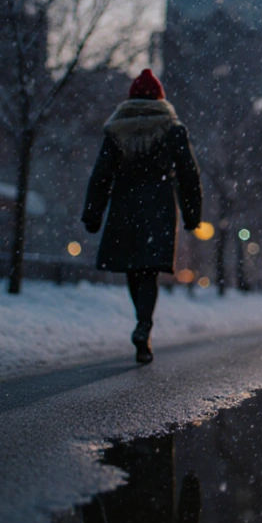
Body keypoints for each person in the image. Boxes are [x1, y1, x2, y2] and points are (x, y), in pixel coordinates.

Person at [83, 68, 202, 363]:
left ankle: (141, 323)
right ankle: (144, 326)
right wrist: (192, 214)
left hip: (124, 206)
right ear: (161, 99)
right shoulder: (173, 129)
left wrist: (93, 213)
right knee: (148, 270)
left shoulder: (116, 131)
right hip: (159, 207)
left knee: (133, 269)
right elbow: (189, 174)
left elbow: (101, 175)